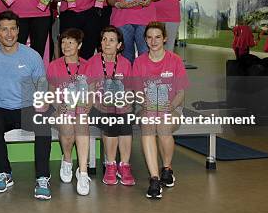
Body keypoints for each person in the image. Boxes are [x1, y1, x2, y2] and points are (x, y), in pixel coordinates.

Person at [0, 11, 52, 200]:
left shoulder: (31, 55)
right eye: (4, 29)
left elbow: (42, 85)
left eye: (13, 29)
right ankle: (4, 173)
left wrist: (43, 103)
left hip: (28, 107)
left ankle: (42, 177)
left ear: (18, 30)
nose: (9, 34)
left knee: (43, 123)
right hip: (1, 108)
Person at [133, 22, 188, 199]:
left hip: (171, 108)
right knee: (149, 126)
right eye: (149, 37)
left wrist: (169, 107)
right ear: (145, 40)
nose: (153, 41)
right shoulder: (139, 62)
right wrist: (147, 105)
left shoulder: (175, 61)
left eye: (157, 37)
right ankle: (155, 179)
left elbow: (181, 93)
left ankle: (167, 168)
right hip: (147, 108)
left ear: (164, 38)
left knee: (163, 125)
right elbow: (137, 92)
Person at [87, 26, 135, 187]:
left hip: (120, 106)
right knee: (111, 118)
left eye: (112, 40)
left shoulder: (126, 63)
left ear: (119, 45)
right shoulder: (93, 62)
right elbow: (89, 91)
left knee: (125, 118)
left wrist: (126, 102)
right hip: (97, 107)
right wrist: (100, 104)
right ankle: (111, 164)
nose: (107, 43)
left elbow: (129, 90)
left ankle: (125, 166)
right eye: (104, 39)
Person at [46, 28, 92, 195]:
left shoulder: (88, 65)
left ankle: (83, 172)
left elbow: (93, 90)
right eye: (63, 42)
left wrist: (88, 105)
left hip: (82, 109)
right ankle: (67, 159)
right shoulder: (54, 66)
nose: (65, 45)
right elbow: (51, 91)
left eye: (70, 42)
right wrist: (58, 106)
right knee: (66, 125)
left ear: (79, 45)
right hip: (62, 108)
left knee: (80, 123)